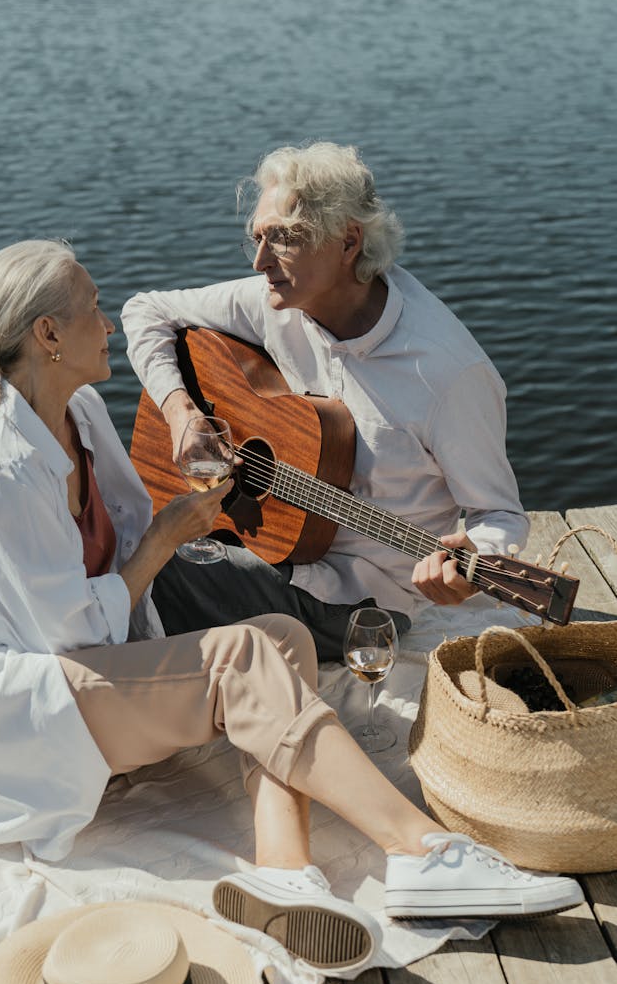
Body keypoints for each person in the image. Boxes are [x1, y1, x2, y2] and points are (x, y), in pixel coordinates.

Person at [0, 240, 580, 980]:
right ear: (47, 336)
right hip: (7, 706)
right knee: (240, 656)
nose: (109, 323)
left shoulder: (77, 411)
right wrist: (165, 539)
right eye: (90, 309)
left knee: (275, 637)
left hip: (69, 669)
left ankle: (281, 867)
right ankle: (421, 850)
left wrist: (190, 496)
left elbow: (111, 557)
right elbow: (75, 631)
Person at [122, 142, 530, 661]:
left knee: (154, 568)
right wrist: (181, 412)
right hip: (274, 543)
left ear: (348, 242)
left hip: (362, 596)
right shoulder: (278, 300)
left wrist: (473, 563)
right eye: (258, 238)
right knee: (129, 531)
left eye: (283, 241)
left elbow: (499, 515)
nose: (260, 261)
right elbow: (144, 311)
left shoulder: (448, 375)